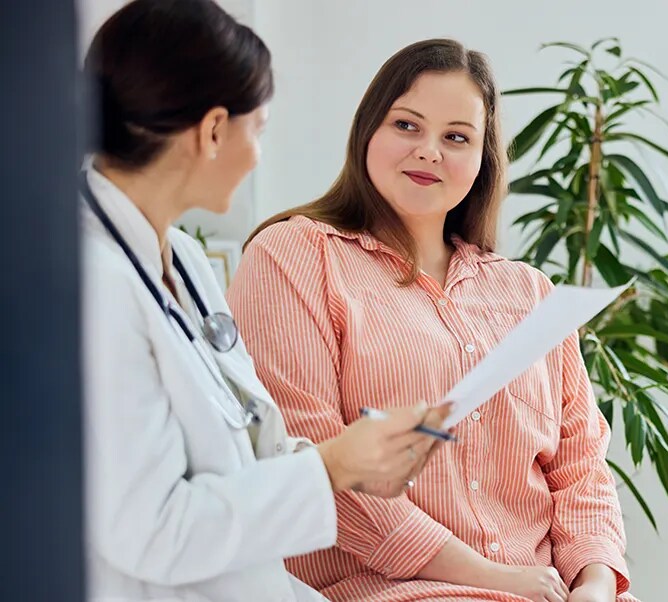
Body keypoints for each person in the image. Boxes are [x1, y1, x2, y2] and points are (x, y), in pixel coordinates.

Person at [227, 39, 638, 602]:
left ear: (482, 160)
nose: (429, 152)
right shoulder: (294, 256)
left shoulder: (529, 292)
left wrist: (593, 583)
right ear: (368, 129)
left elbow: (581, 469)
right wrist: (494, 578)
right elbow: (313, 461)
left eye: (456, 137)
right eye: (406, 125)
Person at [81, 3, 449, 601]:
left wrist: (350, 460)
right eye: (260, 130)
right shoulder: (94, 287)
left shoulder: (183, 259)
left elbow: (246, 438)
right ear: (215, 131)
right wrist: (330, 467)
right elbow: (155, 534)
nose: (257, 154)